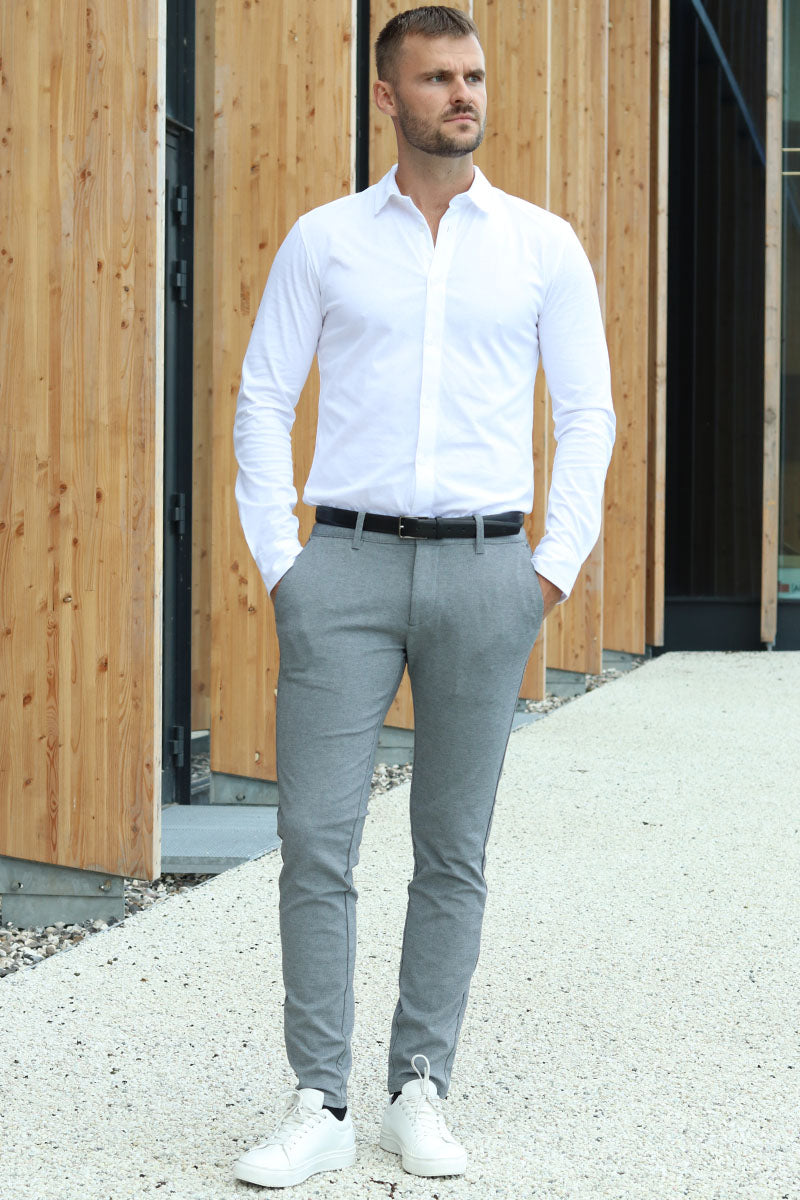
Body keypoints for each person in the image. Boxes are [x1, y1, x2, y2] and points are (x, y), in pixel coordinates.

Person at [231, 5, 615, 1189]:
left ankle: (416, 1089)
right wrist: (283, 563)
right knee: (315, 840)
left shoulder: (540, 245)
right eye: (438, 77)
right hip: (341, 568)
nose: (462, 95)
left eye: (473, 76)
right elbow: (260, 399)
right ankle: (318, 1101)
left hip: (487, 572)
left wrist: (548, 568)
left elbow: (587, 414)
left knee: (451, 847)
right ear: (386, 97)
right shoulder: (324, 241)